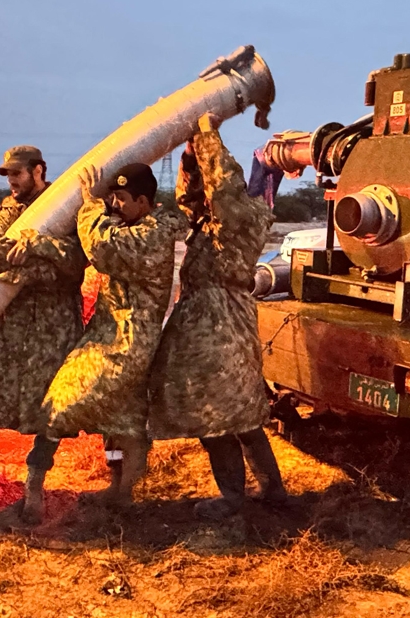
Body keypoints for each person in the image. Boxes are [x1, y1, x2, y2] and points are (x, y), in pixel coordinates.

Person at [149, 113, 287, 520]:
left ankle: (232, 498)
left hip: (222, 329)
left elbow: (223, 188)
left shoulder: (244, 217)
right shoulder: (214, 222)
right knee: (239, 413)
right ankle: (272, 490)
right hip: (213, 325)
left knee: (218, 416)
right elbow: (192, 200)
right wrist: (191, 156)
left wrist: (209, 136)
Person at [0, 146, 86, 524]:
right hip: (14, 323)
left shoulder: (67, 205)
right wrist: (34, 264)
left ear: (38, 171)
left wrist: (38, 246)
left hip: (54, 326)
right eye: (8, 175)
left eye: (17, 174)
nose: (11, 181)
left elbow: (77, 261)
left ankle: (35, 482)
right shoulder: (10, 207)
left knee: (50, 406)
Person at [41, 161, 183, 509]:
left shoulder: (151, 235)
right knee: (123, 419)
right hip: (114, 333)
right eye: (112, 197)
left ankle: (128, 492)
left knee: (66, 399)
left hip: (129, 341)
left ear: (143, 202)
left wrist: (91, 204)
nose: (114, 205)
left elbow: (102, 247)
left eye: (121, 199)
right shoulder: (134, 225)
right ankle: (121, 490)